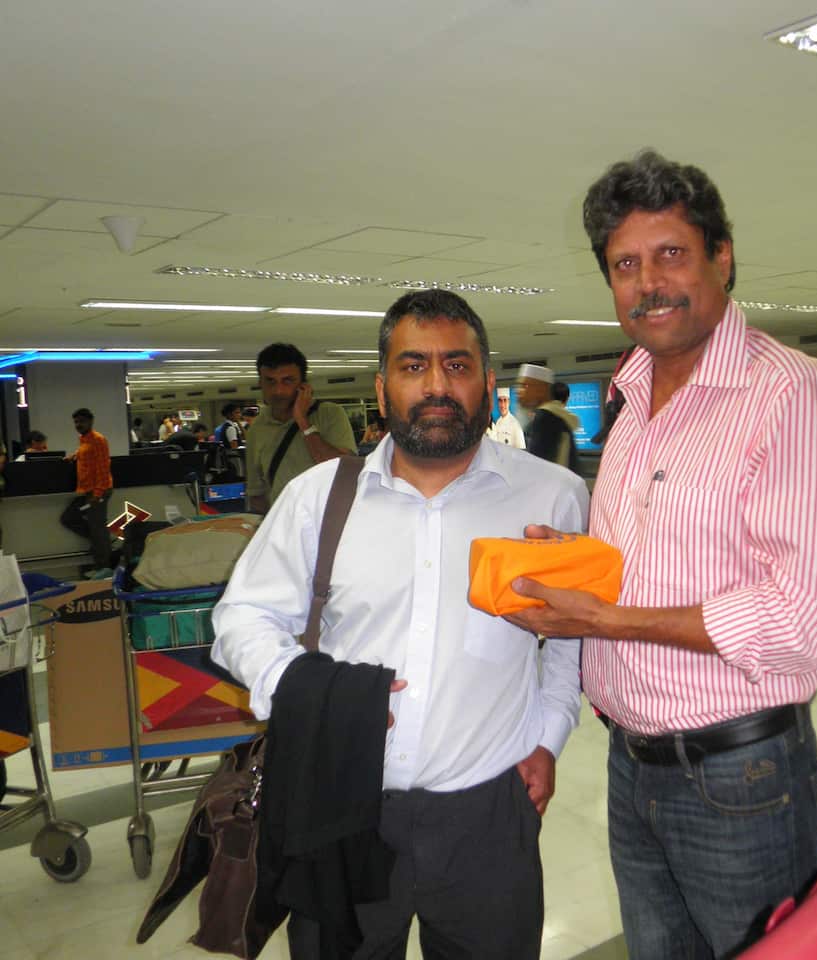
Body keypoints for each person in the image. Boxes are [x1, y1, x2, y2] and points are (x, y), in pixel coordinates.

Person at [505, 150, 817, 959]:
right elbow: (660, 555)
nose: (648, 282)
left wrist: (612, 618)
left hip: (741, 780)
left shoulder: (788, 391)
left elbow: (806, 620)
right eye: (625, 264)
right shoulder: (633, 397)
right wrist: (583, 560)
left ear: (721, 258)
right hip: (632, 768)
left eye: (671, 254)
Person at [212, 289, 588, 958]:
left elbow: (567, 641)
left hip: (488, 819)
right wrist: (310, 690)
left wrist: (549, 734)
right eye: (414, 366)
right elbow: (242, 617)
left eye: (458, 365)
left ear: (489, 384)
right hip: (341, 807)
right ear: (382, 389)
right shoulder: (317, 497)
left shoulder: (552, 495)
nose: (437, 386)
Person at [244, 342, 356, 513]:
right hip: (284, 527)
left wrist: (303, 421)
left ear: (303, 384)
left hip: (329, 520)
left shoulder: (330, 415)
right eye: (270, 381)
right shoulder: (257, 429)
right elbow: (257, 493)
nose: (278, 391)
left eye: (287, 381)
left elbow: (343, 470)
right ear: (260, 383)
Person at [58, 408, 113, 577]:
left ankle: (104, 568)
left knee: (97, 528)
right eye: (76, 422)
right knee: (69, 518)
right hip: (87, 491)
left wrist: (97, 494)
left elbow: (104, 468)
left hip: (99, 492)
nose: (78, 425)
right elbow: (88, 456)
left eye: (81, 421)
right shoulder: (84, 439)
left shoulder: (99, 440)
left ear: (91, 421)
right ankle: (102, 543)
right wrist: (74, 456)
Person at [517, 366, 580, 472]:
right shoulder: (557, 417)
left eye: (525, 386)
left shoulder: (545, 418)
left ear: (542, 389)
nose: (518, 391)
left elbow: (537, 469)